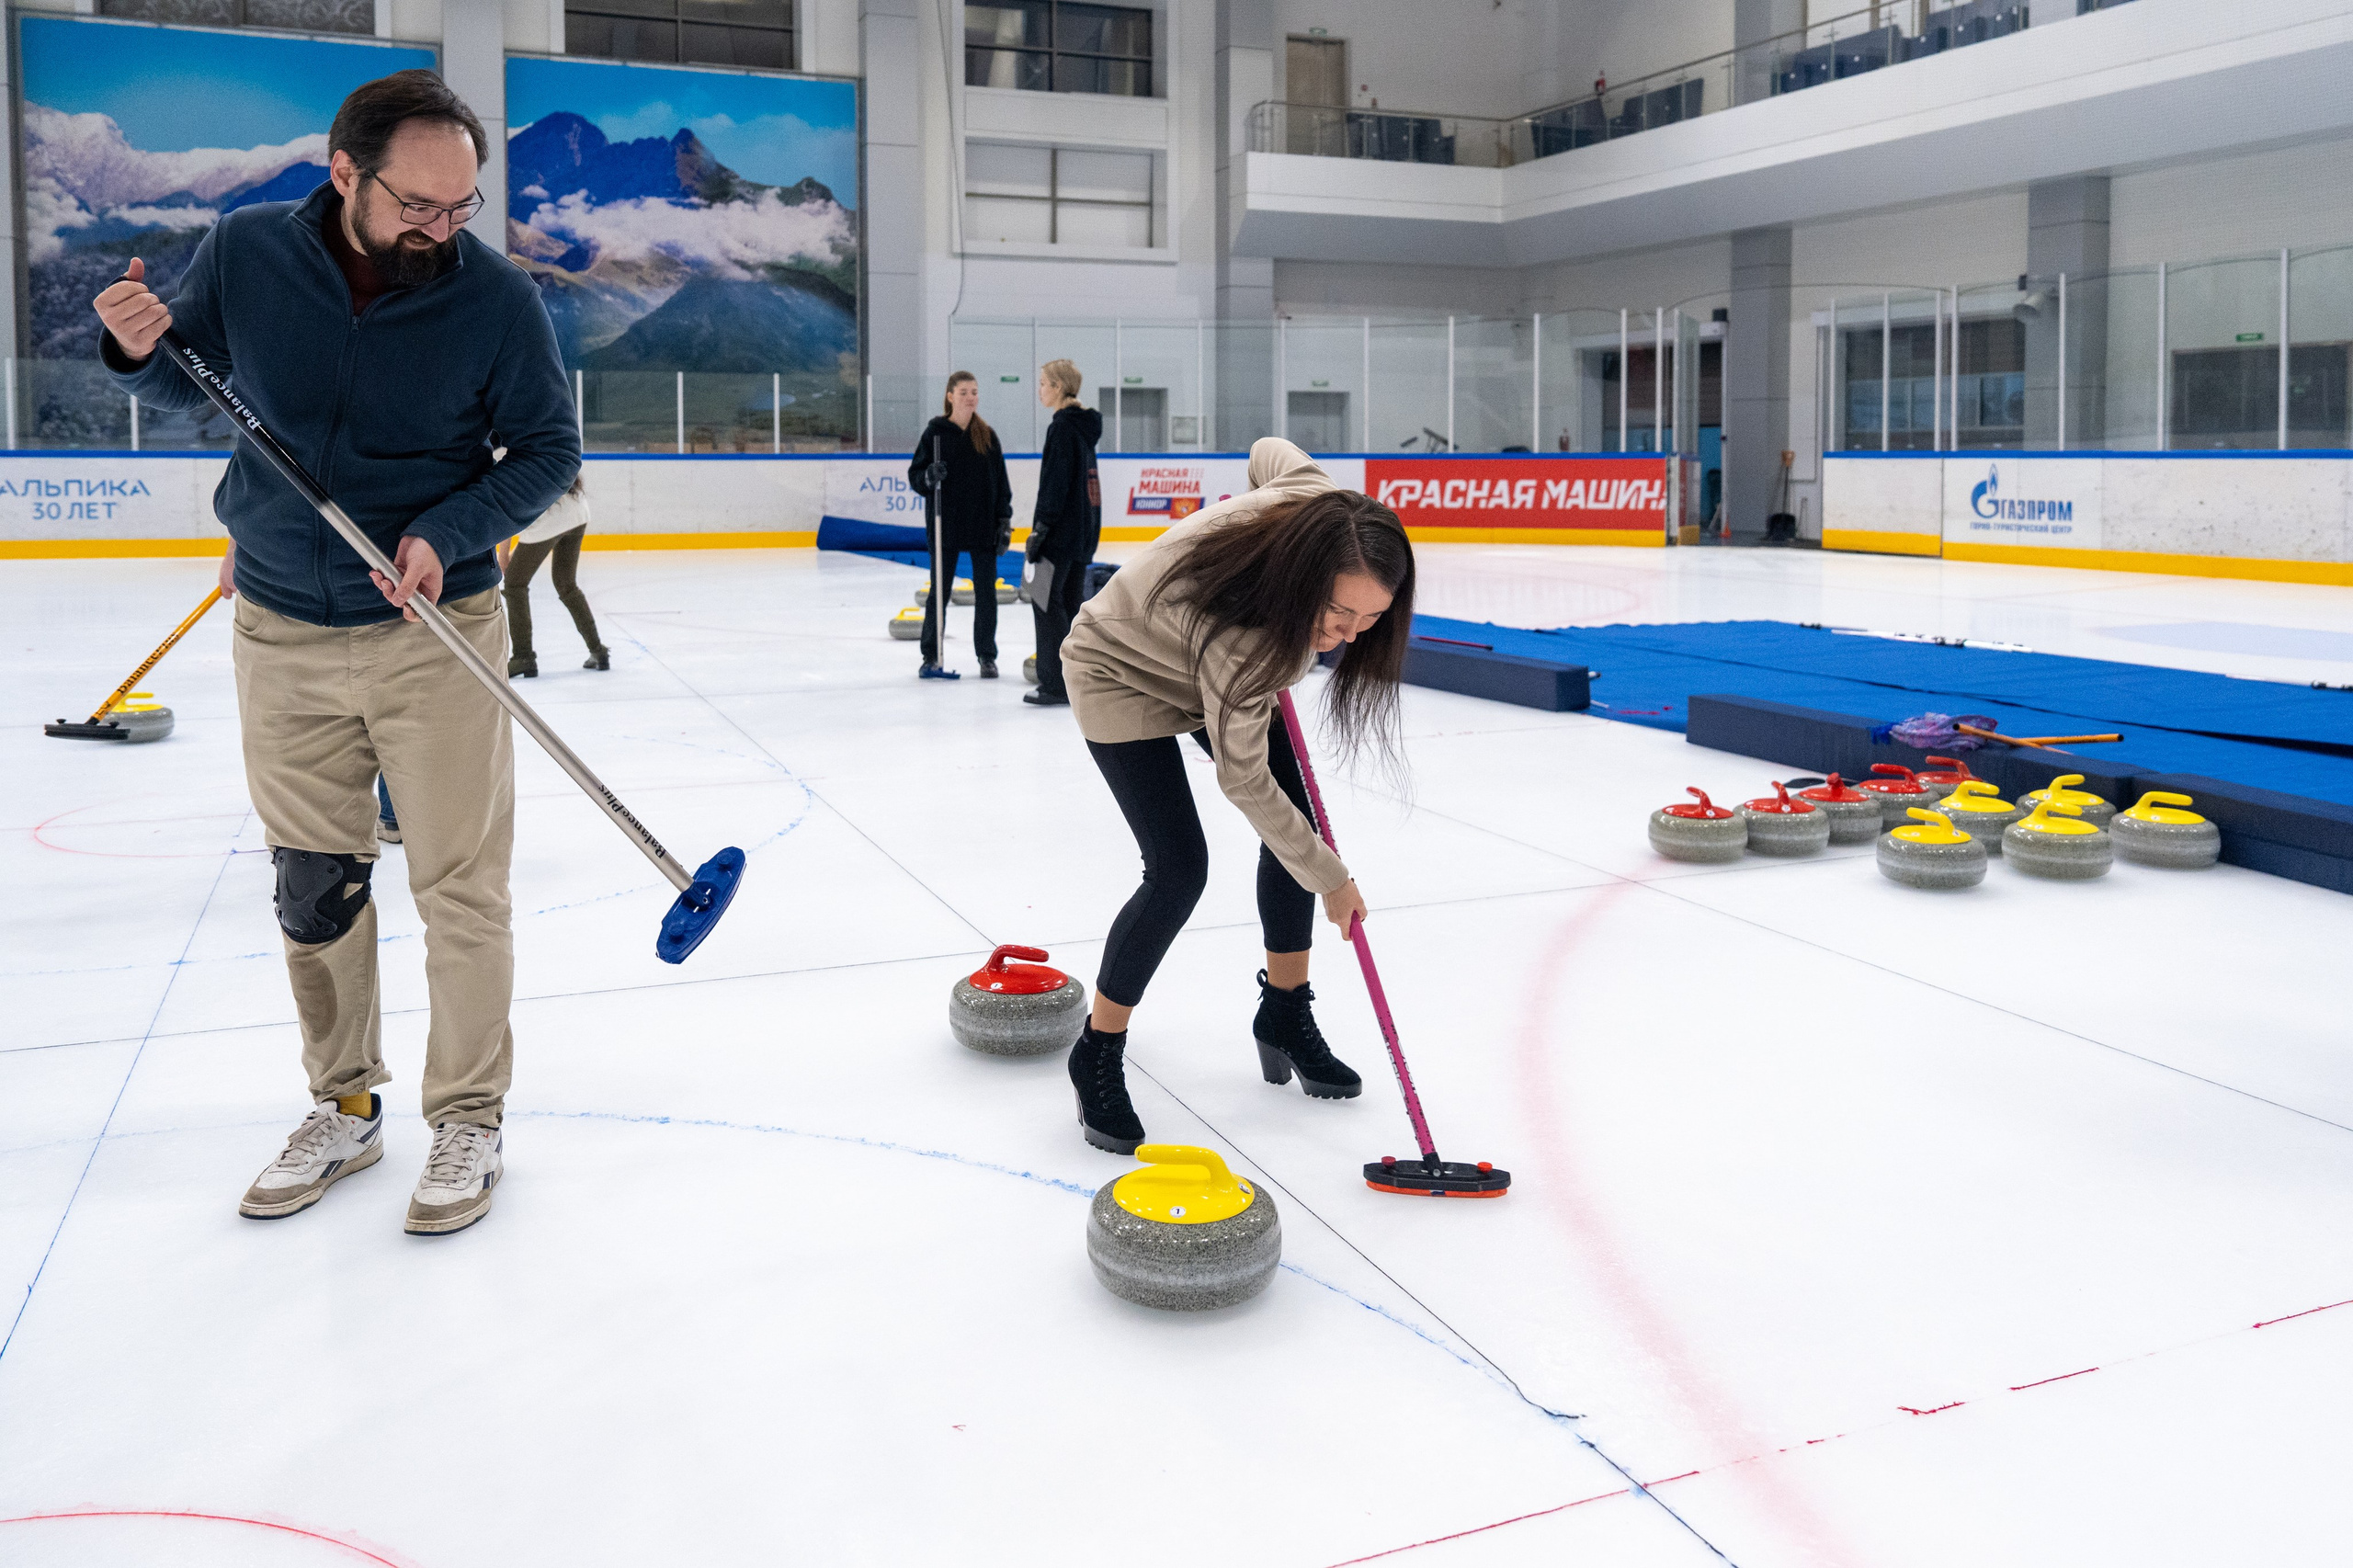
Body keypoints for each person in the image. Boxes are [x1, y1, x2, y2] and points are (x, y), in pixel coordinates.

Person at [93, 70, 579, 1236]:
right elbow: (183, 379)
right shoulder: (250, 249)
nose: (441, 232)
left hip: (436, 628)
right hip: (278, 624)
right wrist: (134, 346)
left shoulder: (493, 297)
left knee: (460, 887)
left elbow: (548, 451)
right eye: (419, 206)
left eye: (460, 210)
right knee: (315, 885)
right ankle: (345, 1104)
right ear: (344, 172)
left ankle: (468, 1113)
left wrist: (443, 534)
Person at [1058, 437, 1415, 1154]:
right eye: (1341, 614)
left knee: (1297, 826)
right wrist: (1333, 880)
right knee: (1179, 868)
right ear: (1309, 574)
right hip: (1117, 669)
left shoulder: (1312, 497)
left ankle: (1284, 1013)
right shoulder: (1255, 647)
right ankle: (1097, 1050)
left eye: (1371, 619)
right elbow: (1243, 780)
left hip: (1204, 666)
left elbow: (1267, 451)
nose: (1351, 635)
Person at [907, 371, 1013, 678]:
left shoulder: (987, 435)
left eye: (975, 392)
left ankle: (987, 656)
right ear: (950, 396)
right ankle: (931, 654)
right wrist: (928, 476)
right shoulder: (935, 434)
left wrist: (1004, 519)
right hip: (946, 526)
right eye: (964, 392)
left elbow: (1000, 481)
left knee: (986, 594)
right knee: (939, 592)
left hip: (982, 525)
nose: (970, 397)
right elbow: (916, 475)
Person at [1023, 358, 1101, 710]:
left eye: (1043, 383)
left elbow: (1055, 486)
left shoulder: (1062, 428)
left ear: (1057, 387)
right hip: (1082, 534)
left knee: (1044, 602)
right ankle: (1076, 678)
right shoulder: (1083, 428)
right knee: (1068, 604)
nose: (1040, 389)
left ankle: (1054, 683)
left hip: (1060, 535)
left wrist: (1041, 529)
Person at [499, 472, 605, 678]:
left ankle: (523, 657)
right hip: (576, 510)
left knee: (514, 585)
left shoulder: (508, 450)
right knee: (566, 584)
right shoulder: (547, 442)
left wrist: (503, 554)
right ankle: (598, 651)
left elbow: (509, 510)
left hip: (550, 517)